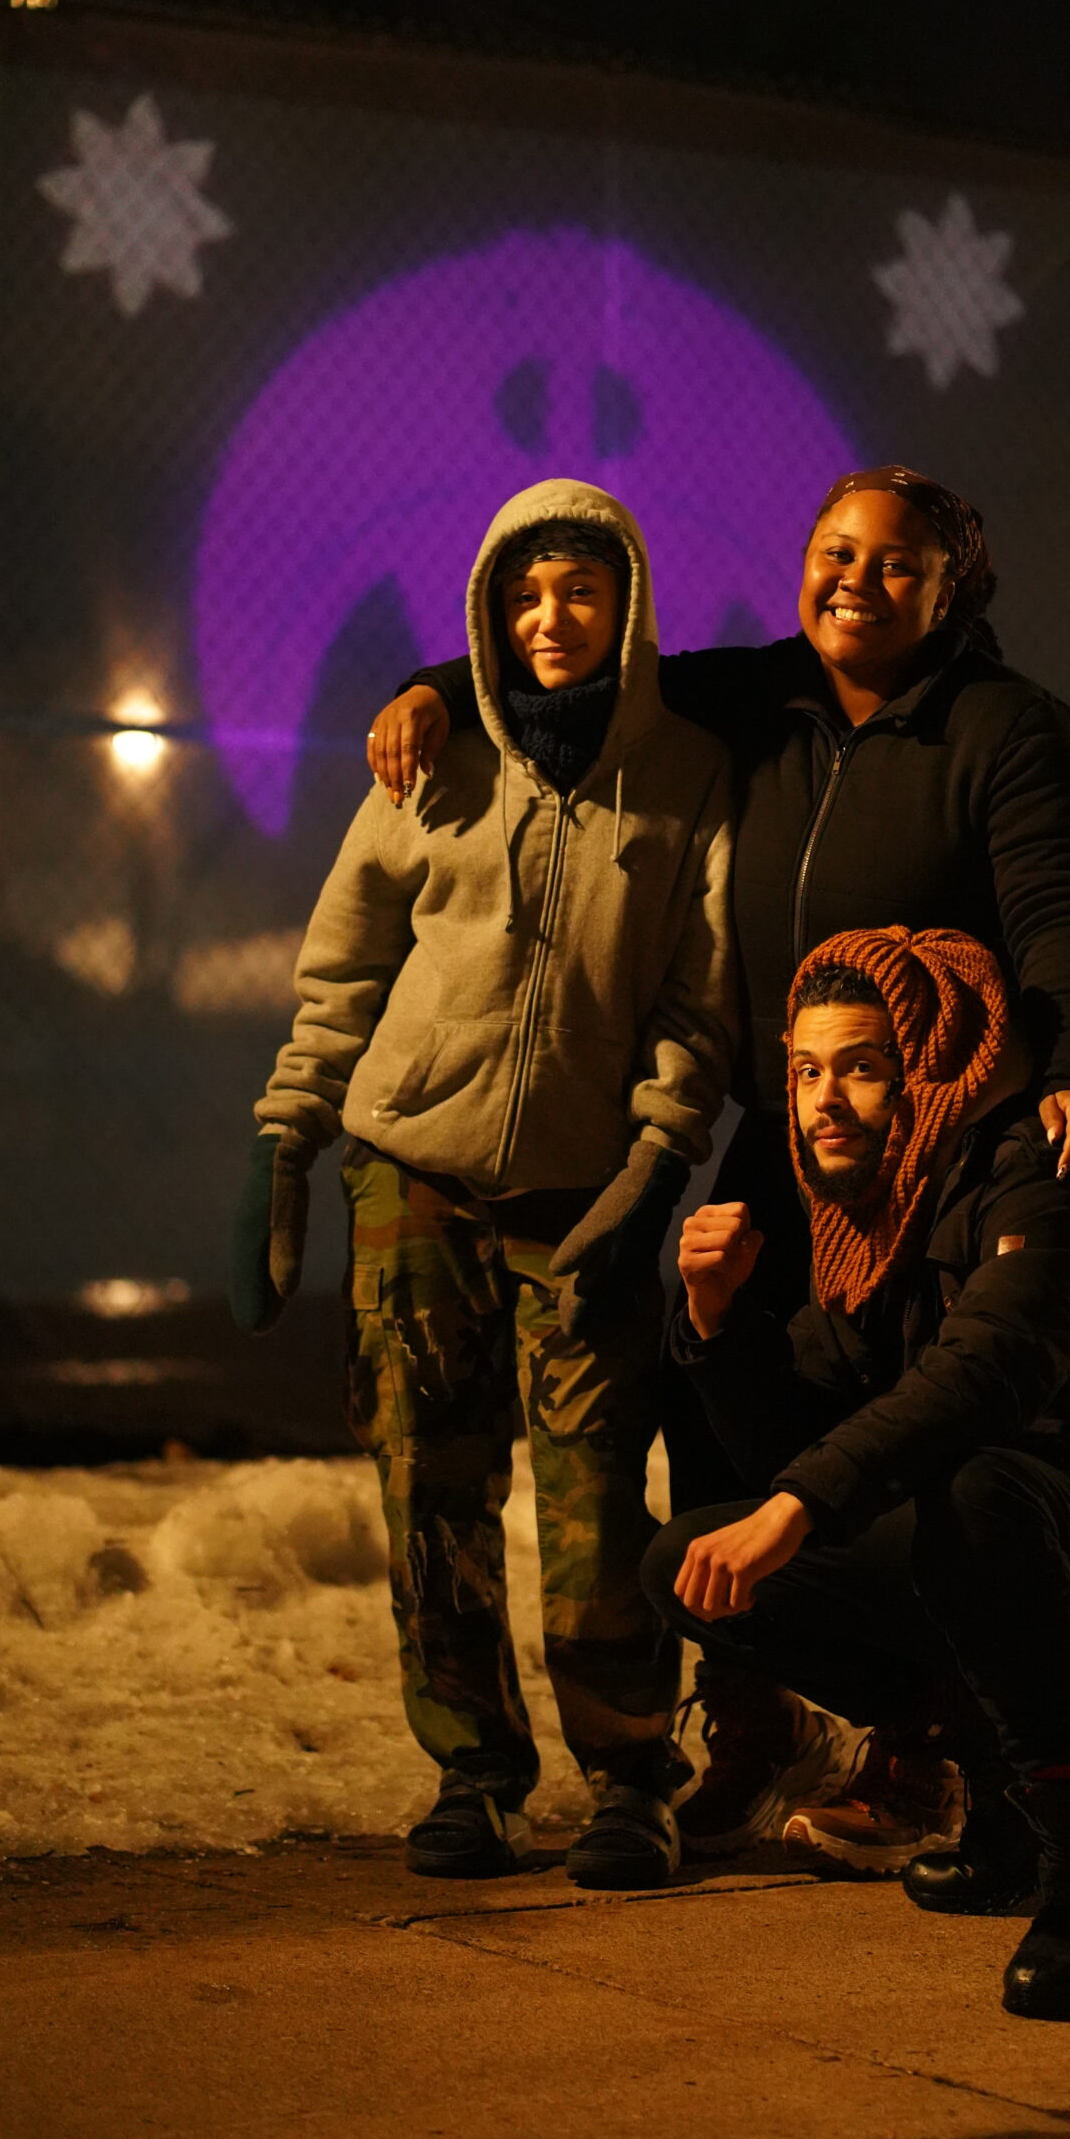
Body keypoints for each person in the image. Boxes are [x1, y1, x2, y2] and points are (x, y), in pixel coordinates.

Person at [364, 466, 1070, 1854]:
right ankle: (761, 1713)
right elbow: (582, 665)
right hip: (795, 1135)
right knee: (705, 1393)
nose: (855, 580)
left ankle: (927, 1751)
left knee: (910, 1422)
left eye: (895, 564)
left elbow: (1058, 913)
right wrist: (429, 680)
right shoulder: (765, 696)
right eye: (833, 552)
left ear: (949, 589)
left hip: (928, 1153)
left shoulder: (1001, 733)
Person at [644, 926, 1070, 2020]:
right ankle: (1004, 1797)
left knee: (971, 1491)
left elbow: (989, 1370)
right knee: (692, 1563)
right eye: (806, 1070)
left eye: (861, 1066)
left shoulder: (1058, 1180)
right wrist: (714, 1325)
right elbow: (807, 1432)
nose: (823, 1101)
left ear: (931, 1069)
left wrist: (800, 1504)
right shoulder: (882, 1215)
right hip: (1022, 1555)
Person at [232, 479, 736, 1891]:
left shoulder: (688, 777)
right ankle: (470, 1770)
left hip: (583, 1196)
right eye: (522, 596)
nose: (548, 618)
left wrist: (652, 1161)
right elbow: (340, 968)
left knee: (593, 1497)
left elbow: (699, 1000)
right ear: (487, 617)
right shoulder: (432, 761)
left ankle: (633, 1776)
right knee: (428, 1479)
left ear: (625, 605)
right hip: (411, 1176)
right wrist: (288, 1139)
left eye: (577, 590)